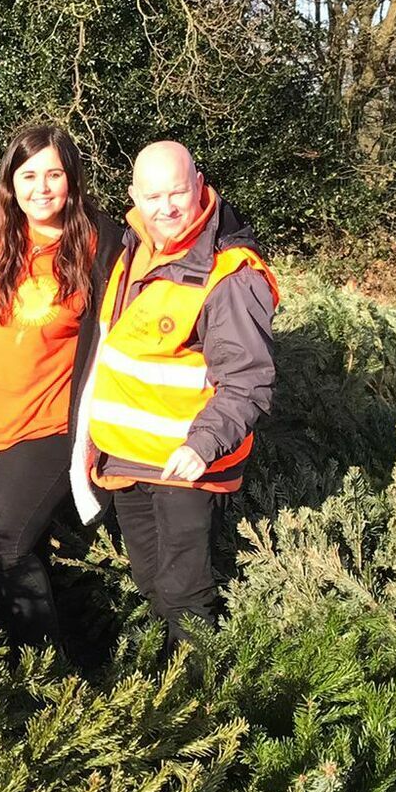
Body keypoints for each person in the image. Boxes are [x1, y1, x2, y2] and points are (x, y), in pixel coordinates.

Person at [71, 140, 277, 646]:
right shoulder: (132, 246)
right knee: (152, 585)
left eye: (178, 193)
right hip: (125, 460)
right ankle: (166, 689)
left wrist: (201, 445)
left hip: (184, 464)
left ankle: (202, 705)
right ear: (133, 196)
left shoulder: (230, 274)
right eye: (153, 195)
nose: (166, 208)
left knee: (185, 596)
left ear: (199, 184)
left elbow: (248, 378)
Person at [0, 123, 117, 647]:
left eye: (54, 174)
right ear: (10, 182)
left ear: (72, 179)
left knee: (3, 544)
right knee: (23, 548)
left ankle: (42, 674)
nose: (41, 187)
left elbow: (173, 231)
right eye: (29, 175)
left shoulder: (101, 245)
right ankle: (34, 634)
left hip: (46, 427)